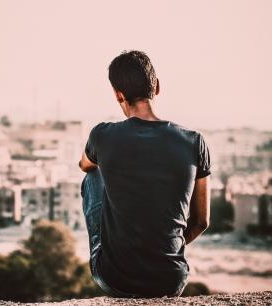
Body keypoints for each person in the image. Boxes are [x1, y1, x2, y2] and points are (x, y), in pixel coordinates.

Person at [79, 50, 211, 298]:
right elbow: (201, 222)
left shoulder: (102, 134)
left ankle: (111, 252)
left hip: (114, 276)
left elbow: (84, 165)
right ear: (157, 87)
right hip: (171, 279)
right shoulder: (195, 142)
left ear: (118, 94)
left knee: (93, 176)